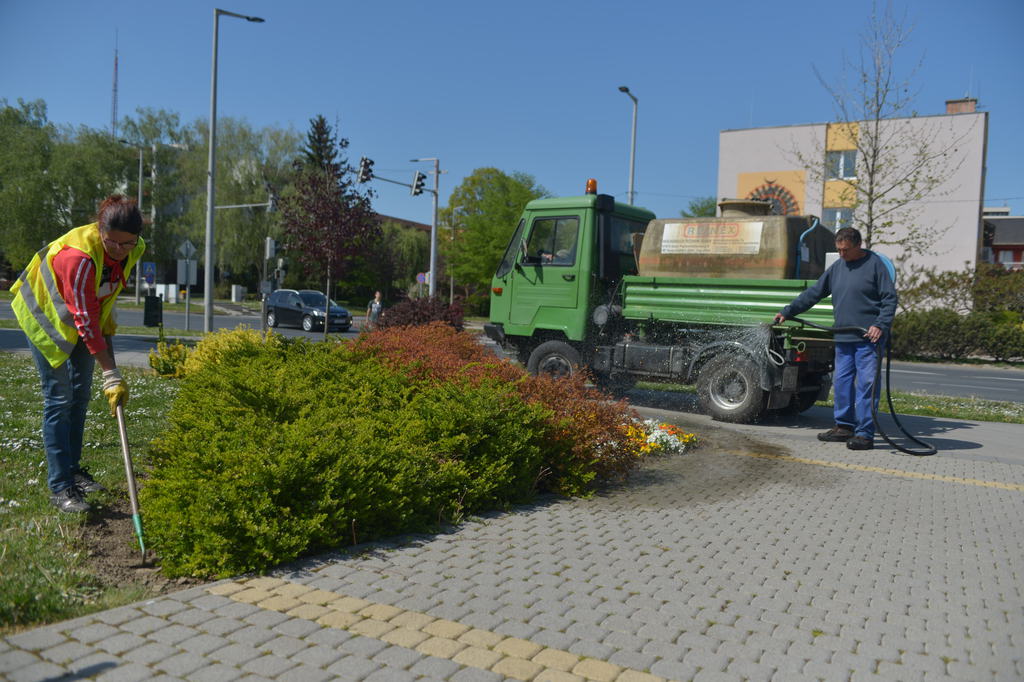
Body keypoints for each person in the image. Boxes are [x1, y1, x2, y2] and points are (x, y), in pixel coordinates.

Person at [11, 196, 145, 512]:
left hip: (82, 319)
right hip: (46, 317)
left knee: (81, 394)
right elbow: (84, 316)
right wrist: (111, 373)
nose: (119, 250)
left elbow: (104, 298)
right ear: (100, 230)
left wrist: (107, 330)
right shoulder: (79, 258)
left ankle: (73, 470)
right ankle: (60, 488)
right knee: (59, 399)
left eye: (127, 244)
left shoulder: (134, 249)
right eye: (112, 242)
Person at [773, 227, 897, 450]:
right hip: (843, 337)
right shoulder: (838, 268)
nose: (841, 254)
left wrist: (880, 324)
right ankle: (844, 427)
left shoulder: (875, 265)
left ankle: (865, 434)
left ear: (859, 245)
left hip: (869, 340)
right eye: (838, 250)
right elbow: (815, 293)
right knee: (842, 383)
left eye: (846, 250)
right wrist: (788, 311)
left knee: (867, 386)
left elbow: (889, 299)